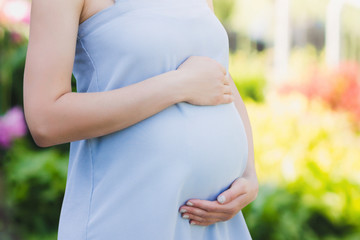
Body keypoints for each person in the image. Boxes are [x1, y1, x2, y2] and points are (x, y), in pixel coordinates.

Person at [23, 0, 259, 239]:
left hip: (214, 225)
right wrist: (178, 85)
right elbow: (45, 120)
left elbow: (216, 74)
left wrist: (248, 172)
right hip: (128, 217)